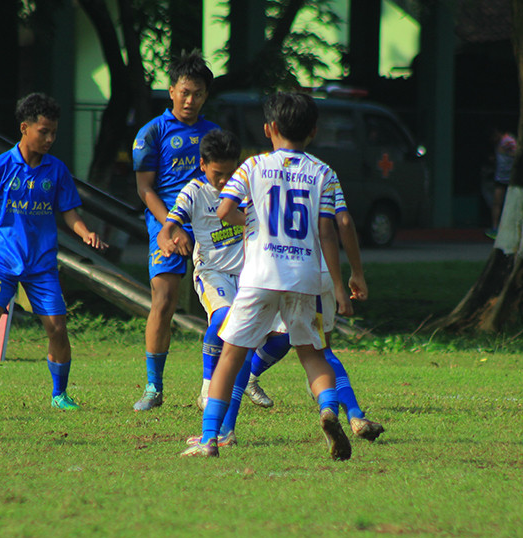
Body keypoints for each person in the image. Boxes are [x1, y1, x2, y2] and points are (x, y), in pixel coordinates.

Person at [179, 91, 353, 460]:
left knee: (231, 355)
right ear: (314, 131)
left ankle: (210, 438)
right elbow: (332, 230)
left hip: (258, 275)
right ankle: (327, 411)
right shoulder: (323, 172)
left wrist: (253, 225)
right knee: (313, 355)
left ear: (269, 128)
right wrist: (342, 284)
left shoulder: (253, 167)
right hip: (305, 278)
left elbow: (225, 208)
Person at [0, 93, 108, 411]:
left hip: (42, 266)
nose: (50, 138)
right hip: (2, 262)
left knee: (57, 327)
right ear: (25, 128)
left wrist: (86, 232)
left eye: (54, 132)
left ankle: (59, 393)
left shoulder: (57, 170)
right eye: (44, 131)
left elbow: (70, 213)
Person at [243, 188, 385, 442]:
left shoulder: (258, 168)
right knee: (319, 351)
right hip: (315, 272)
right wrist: (355, 273)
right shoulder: (321, 172)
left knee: (240, 347)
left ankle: (217, 432)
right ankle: (352, 413)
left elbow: (232, 212)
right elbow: (342, 221)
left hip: (272, 270)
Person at [132, 50, 218, 411]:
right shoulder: (152, 132)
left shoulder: (213, 134)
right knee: (164, 302)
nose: (190, 100)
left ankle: (213, 385)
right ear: (171, 90)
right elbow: (145, 188)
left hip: (210, 227)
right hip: (166, 226)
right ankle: (154, 388)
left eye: (197, 93)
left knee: (223, 307)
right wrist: (170, 226)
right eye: (185, 91)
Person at [161, 128, 249, 446]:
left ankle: (227, 427)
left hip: (251, 277)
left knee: (268, 341)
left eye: (231, 173)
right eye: (218, 174)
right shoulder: (194, 192)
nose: (225, 181)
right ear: (202, 165)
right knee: (225, 320)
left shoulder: (248, 188)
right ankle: (207, 387)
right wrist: (168, 237)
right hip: (213, 275)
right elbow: (170, 224)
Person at [486, 128, 516, 240]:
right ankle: (495, 227)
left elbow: (516, 154)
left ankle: (510, 228)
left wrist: (506, 153)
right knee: (496, 203)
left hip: (510, 178)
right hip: (500, 177)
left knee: (510, 204)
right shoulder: (497, 144)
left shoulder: (507, 141)